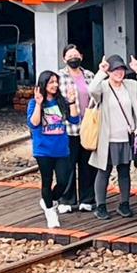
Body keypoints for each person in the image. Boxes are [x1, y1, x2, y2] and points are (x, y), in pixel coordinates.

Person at [88, 55, 137, 221]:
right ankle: (101, 205)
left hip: (126, 136)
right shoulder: (103, 86)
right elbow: (92, 90)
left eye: (121, 69)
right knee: (104, 171)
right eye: (115, 69)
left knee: (124, 171)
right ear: (109, 71)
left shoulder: (130, 85)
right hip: (107, 137)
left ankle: (124, 203)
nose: (119, 72)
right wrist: (101, 72)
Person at [27, 70, 79, 229]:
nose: (55, 85)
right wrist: (38, 104)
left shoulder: (60, 101)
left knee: (63, 181)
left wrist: (72, 102)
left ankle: (49, 200)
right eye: (51, 82)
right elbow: (33, 123)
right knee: (47, 180)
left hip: (61, 149)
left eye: (56, 82)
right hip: (43, 150)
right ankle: (50, 212)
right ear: (43, 84)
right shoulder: (34, 103)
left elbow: (74, 119)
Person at [57, 44, 95, 213]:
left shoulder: (89, 75)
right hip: (68, 128)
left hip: (88, 127)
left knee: (87, 165)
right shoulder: (59, 77)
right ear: (64, 59)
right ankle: (66, 199)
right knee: (68, 165)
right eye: (70, 55)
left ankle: (87, 199)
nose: (73, 58)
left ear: (81, 56)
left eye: (76, 54)